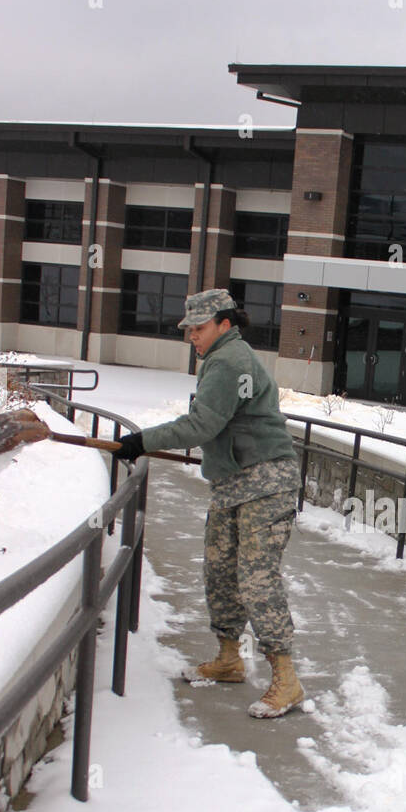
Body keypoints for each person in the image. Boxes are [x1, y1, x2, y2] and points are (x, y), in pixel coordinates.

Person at [116, 289, 304, 719]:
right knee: (220, 573)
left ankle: (286, 679)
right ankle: (229, 658)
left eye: (198, 329)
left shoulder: (230, 360)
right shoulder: (221, 360)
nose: (191, 338)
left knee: (257, 579)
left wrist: (141, 441)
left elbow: (202, 424)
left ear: (224, 324)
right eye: (188, 330)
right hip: (232, 483)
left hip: (265, 482)